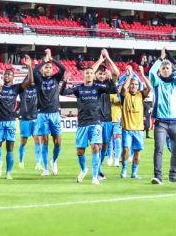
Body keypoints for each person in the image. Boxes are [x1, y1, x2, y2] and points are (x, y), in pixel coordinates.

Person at [61, 66, 117, 185]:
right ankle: (84, 169)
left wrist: (110, 78)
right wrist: (65, 81)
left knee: (95, 147)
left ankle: (95, 177)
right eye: (87, 73)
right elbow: (63, 92)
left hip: (95, 122)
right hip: (82, 123)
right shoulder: (78, 88)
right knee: (80, 151)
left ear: (93, 75)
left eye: (91, 73)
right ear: (83, 75)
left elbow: (113, 90)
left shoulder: (98, 87)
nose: (89, 75)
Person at [0, 55, 34, 180]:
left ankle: (8, 172)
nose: (6, 76)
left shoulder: (15, 88)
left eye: (9, 74)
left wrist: (29, 67)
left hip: (11, 122)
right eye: (5, 74)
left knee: (10, 148)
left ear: (13, 77)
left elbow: (29, 81)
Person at [149, 47, 176, 185]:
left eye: (168, 67)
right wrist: (160, 59)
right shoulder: (157, 82)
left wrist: (172, 60)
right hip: (161, 122)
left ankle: (173, 174)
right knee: (159, 148)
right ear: (160, 70)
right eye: (163, 68)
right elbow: (151, 72)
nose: (165, 69)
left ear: (171, 70)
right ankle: (158, 176)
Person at [33, 48, 66, 176]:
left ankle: (54, 161)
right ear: (43, 69)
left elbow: (62, 69)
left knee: (58, 141)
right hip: (42, 114)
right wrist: (43, 61)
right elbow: (35, 70)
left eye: (49, 68)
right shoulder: (39, 79)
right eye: (46, 67)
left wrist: (52, 60)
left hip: (55, 113)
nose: (47, 69)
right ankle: (46, 168)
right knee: (44, 141)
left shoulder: (56, 79)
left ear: (52, 70)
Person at [92, 49, 120, 179]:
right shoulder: (93, 84)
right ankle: (96, 171)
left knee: (105, 145)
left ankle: (98, 168)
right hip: (96, 119)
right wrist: (100, 60)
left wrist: (108, 58)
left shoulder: (109, 85)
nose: (101, 75)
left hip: (108, 119)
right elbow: (90, 72)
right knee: (97, 145)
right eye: (99, 73)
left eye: (103, 73)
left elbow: (117, 73)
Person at [120, 66, 151, 178]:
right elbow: (124, 88)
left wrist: (142, 74)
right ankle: (124, 169)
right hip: (127, 128)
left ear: (139, 86)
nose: (133, 86)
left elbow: (149, 87)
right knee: (126, 149)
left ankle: (134, 173)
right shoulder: (125, 94)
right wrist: (129, 76)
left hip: (138, 129)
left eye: (136, 84)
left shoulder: (140, 94)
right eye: (132, 84)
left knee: (137, 152)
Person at [17, 62, 39, 170]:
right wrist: (30, 67)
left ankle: (38, 162)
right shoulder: (23, 88)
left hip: (35, 117)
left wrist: (34, 66)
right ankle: (21, 161)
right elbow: (29, 77)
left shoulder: (37, 88)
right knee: (23, 141)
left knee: (37, 140)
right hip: (25, 117)